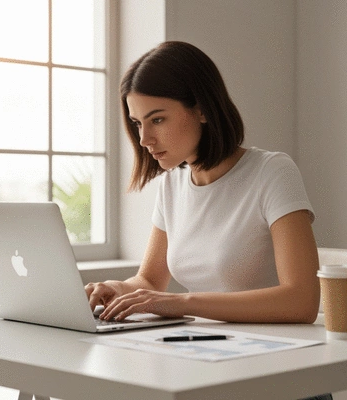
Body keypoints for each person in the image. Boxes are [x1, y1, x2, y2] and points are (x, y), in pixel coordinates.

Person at [86, 40, 330, 400]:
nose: (144, 139)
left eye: (157, 119)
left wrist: (183, 303)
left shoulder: (272, 172)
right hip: (212, 364)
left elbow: (302, 301)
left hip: (279, 378)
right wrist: (120, 290)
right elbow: (150, 279)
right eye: (138, 123)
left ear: (201, 109)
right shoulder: (171, 184)